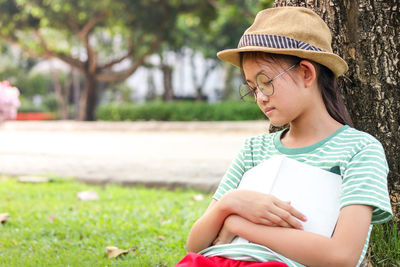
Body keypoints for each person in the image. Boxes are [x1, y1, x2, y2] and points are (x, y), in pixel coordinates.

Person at [176, 6, 393, 267]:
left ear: (306, 73)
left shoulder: (359, 150)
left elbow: (342, 257)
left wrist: (238, 224)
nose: (260, 97)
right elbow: (196, 245)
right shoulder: (254, 150)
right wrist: (229, 204)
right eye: (252, 88)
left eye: (265, 81)